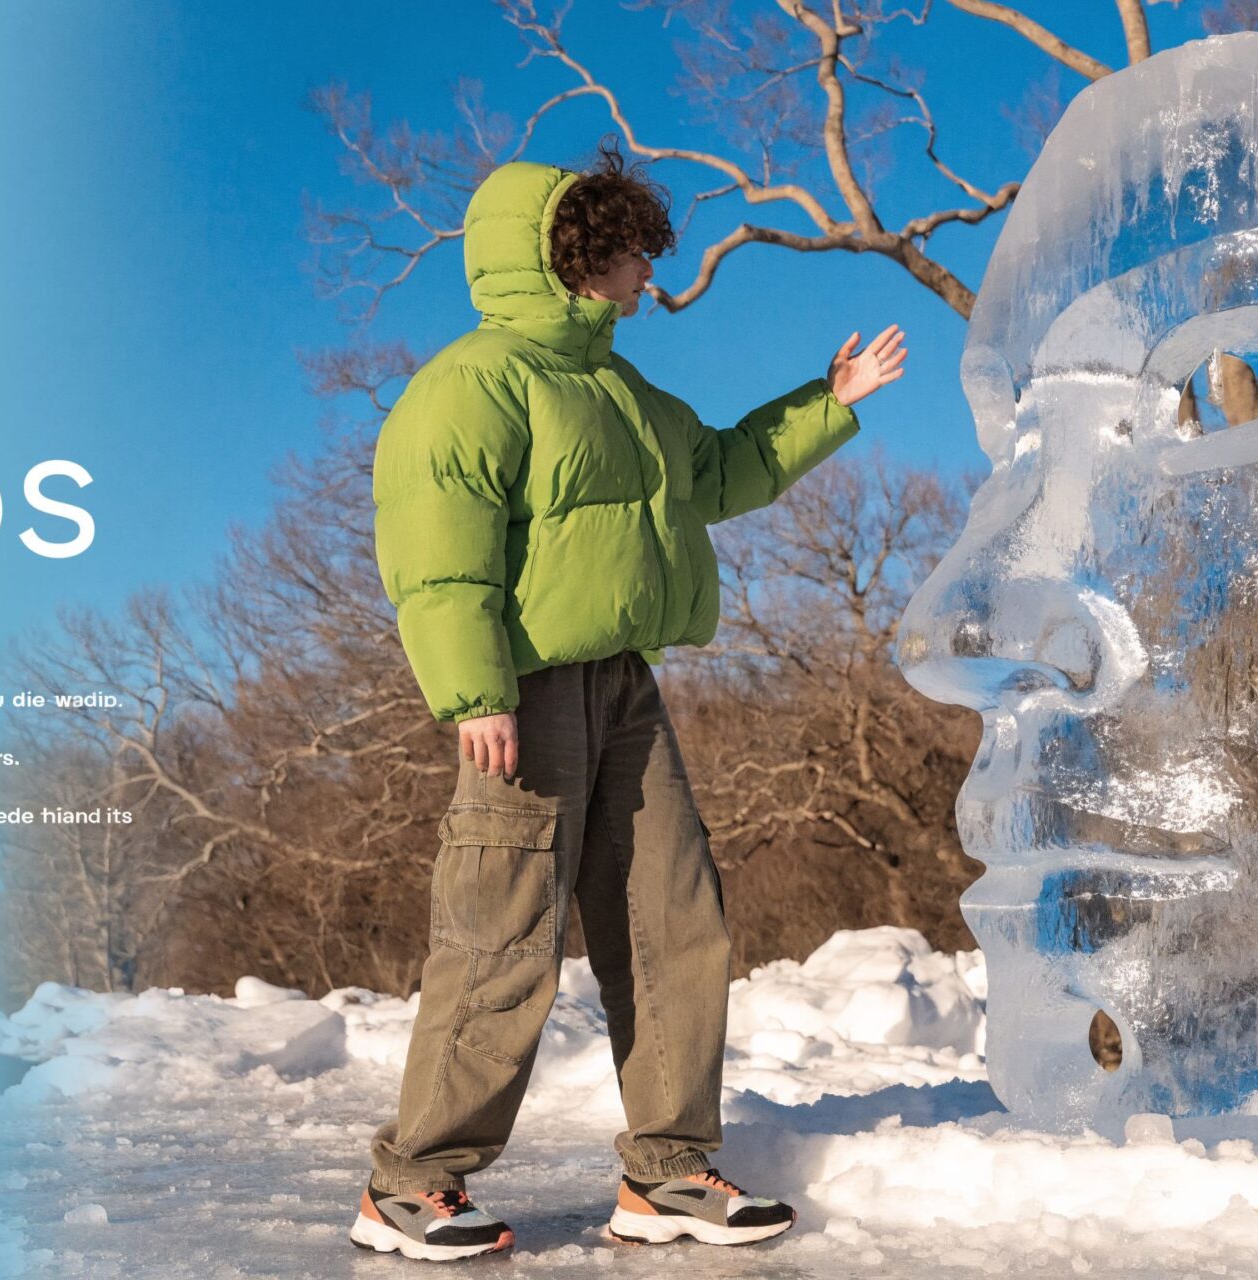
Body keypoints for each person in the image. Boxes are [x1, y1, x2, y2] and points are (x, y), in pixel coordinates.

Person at [348, 145, 907, 1262]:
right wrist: (473, 690)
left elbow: (720, 472)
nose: (645, 272)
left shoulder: (624, 393)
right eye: (628, 253)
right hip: (522, 691)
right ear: (569, 256)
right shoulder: (471, 385)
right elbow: (437, 553)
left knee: (672, 916)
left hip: (625, 685)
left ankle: (665, 1172)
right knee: (502, 931)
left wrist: (826, 404)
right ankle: (411, 1182)